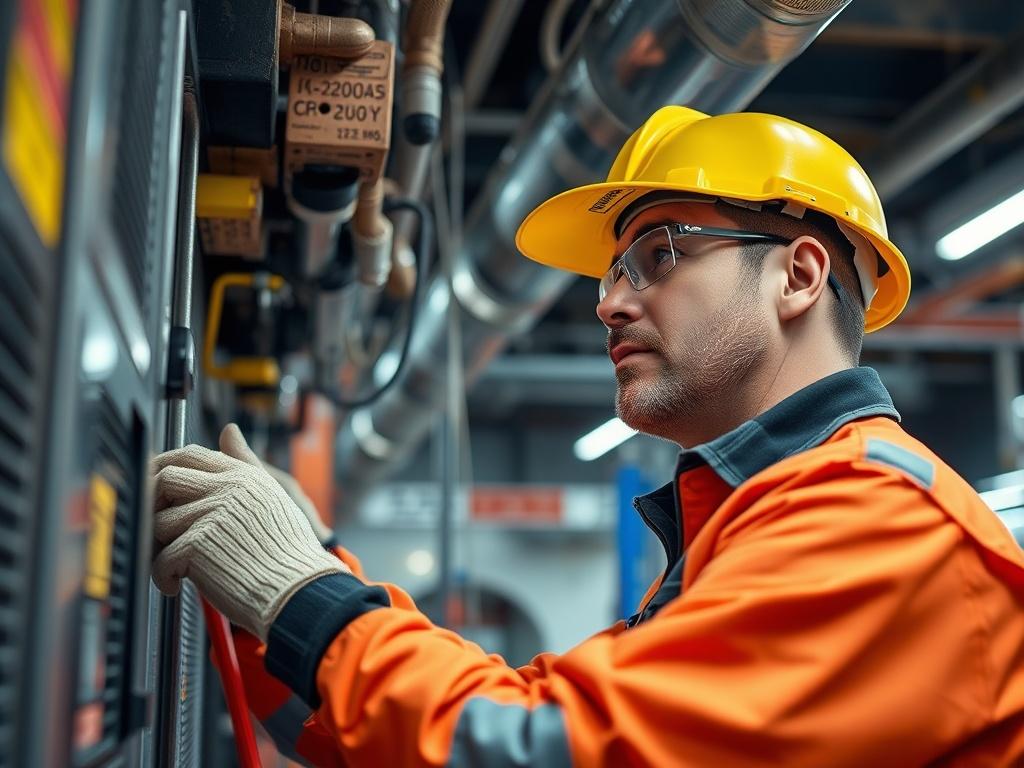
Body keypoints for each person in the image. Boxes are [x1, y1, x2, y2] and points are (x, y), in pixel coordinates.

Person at [151, 106, 1024, 766]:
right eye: (613, 271)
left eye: (661, 253)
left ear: (797, 275)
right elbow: (521, 708)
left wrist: (304, 599)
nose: (608, 301)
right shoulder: (751, 522)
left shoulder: (878, 518)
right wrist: (303, 573)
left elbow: (540, 749)